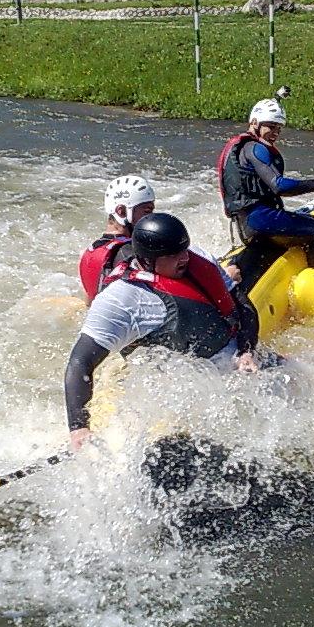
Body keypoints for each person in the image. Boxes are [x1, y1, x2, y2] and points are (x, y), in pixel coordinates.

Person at [65, 212, 261, 451]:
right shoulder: (123, 299)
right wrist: (79, 427)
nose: (185, 259)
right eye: (173, 255)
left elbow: (243, 305)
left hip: (240, 362)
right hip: (193, 395)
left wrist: (247, 350)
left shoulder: (197, 257)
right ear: (147, 260)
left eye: (184, 250)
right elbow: (80, 362)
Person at [218, 97, 314, 266]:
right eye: (271, 126)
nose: (275, 132)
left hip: (246, 223)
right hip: (259, 220)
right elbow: (279, 186)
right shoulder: (254, 148)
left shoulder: (244, 148)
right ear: (254, 122)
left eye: (278, 128)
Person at [78, 175, 156, 305]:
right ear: (121, 211)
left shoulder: (88, 252)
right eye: (147, 211)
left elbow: (88, 302)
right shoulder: (130, 255)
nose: (152, 218)